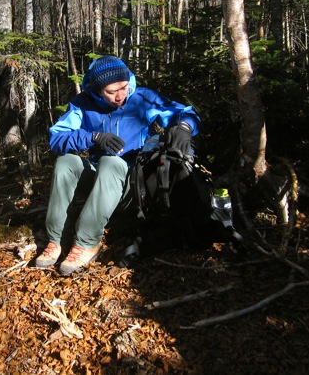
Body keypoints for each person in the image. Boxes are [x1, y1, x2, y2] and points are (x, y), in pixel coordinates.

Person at [36, 55, 201, 275]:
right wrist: (93, 137)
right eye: (111, 92)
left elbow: (185, 112)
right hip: (98, 182)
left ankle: (86, 242)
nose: (120, 96)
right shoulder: (82, 104)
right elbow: (57, 138)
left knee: (111, 162)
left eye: (123, 87)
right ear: (97, 89)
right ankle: (56, 239)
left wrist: (184, 127)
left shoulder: (142, 98)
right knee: (66, 161)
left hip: (132, 184)